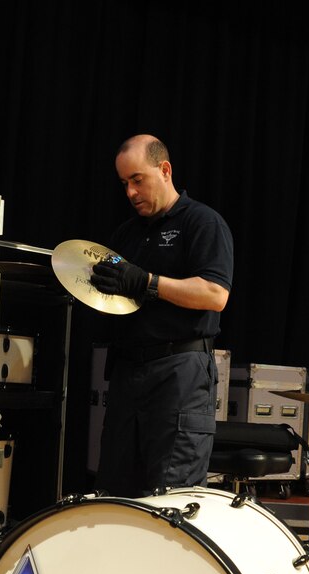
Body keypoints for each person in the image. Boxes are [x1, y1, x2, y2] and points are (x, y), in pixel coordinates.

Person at [89, 133, 234, 498]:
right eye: (124, 184)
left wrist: (148, 282)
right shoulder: (127, 233)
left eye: (138, 180)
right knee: (116, 494)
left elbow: (215, 295)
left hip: (179, 374)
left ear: (164, 169)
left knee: (173, 496)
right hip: (127, 374)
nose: (130, 192)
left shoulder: (202, 222)